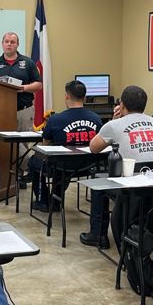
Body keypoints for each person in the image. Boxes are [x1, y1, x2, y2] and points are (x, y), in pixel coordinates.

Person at [80, 85, 153, 249]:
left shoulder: (114, 125)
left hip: (132, 187)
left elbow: (94, 148)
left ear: (122, 105)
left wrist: (114, 120)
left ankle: (97, 235)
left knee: (98, 181)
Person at [30, 80, 102, 213]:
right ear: (84, 97)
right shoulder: (96, 118)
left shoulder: (55, 119)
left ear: (67, 96)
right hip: (87, 167)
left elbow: (46, 146)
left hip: (61, 166)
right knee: (63, 164)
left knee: (34, 161)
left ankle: (44, 202)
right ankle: (56, 201)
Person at [0, 31, 42, 132]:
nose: (9, 44)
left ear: (17, 45)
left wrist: (22, 88)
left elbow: (38, 85)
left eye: (12, 42)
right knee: (3, 141)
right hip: (1, 111)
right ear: (2, 44)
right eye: (6, 41)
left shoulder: (28, 62)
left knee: (24, 142)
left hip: (24, 110)